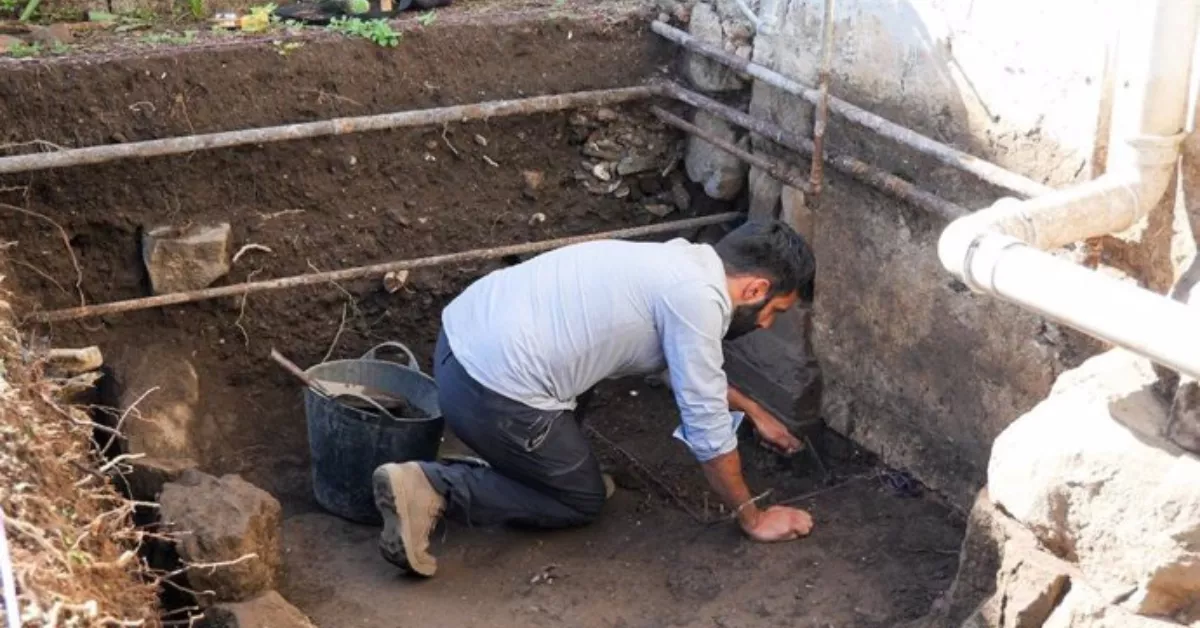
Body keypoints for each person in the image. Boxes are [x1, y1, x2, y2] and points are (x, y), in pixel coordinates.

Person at [372, 219, 817, 576]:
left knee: (582, 378)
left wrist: (755, 412)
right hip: (491, 391)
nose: (764, 324)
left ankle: (533, 466)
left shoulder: (682, 262)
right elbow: (706, 428)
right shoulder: (698, 299)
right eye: (774, 311)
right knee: (580, 501)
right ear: (756, 289)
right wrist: (753, 518)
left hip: (460, 347)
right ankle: (433, 486)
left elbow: (685, 367)